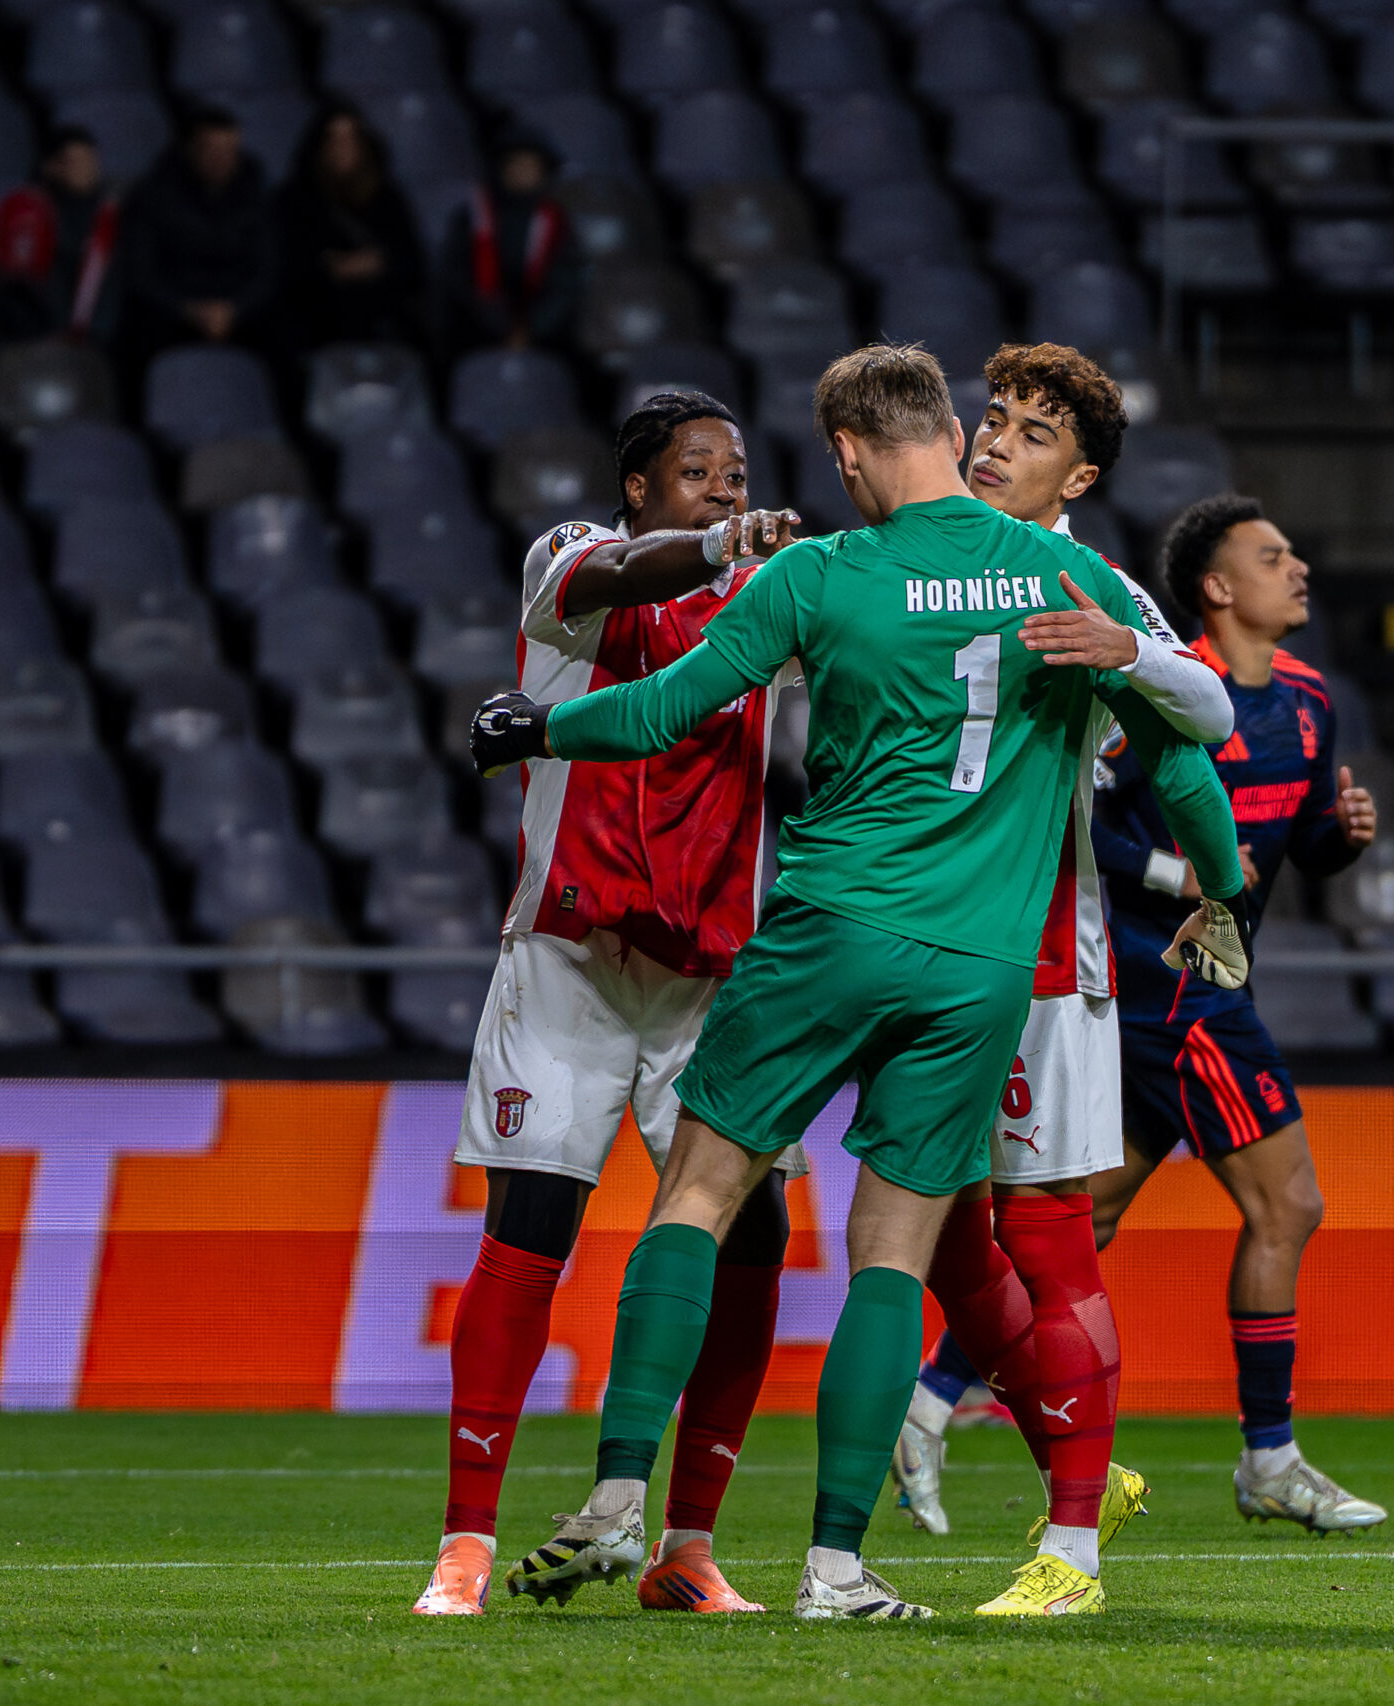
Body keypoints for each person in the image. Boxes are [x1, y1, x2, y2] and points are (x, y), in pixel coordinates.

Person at [470, 344, 1254, 1621]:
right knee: (901, 1251)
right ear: (951, 429)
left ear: (843, 454)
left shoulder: (818, 570)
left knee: (700, 1193)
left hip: (826, 931)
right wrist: (1217, 887)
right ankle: (837, 1564)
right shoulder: (1071, 578)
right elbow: (1186, 748)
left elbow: (665, 708)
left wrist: (535, 723)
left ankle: (620, 1495)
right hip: (987, 968)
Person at [411, 394, 805, 1619]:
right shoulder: (572, 561)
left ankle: (685, 1547)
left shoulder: (771, 606)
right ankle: (464, 1546)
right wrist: (725, 545)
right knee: (530, 1232)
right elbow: (631, 568)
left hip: (708, 978)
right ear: (637, 486)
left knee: (754, 1237)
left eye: (735, 474)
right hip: (568, 965)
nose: (724, 490)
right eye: (697, 473)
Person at [892, 345, 1235, 1610]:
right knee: (929, 1237)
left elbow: (1206, 709)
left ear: (1076, 474)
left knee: (1045, 1235)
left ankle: (1072, 1546)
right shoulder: (907, 540)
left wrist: (1124, 650)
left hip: (1038, 952)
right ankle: (1074, 1451)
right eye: (994, 419)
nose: (997, 442)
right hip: (906, 934)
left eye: (1034, 434)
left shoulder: (1088, 582)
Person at [1088, 493, 1390, 1534]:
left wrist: (1339, 839)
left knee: (1088, 1211)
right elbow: (1079, 821)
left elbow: (1296, 848)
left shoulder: (1309, 700)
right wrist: (1176, 870)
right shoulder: (1173, 694)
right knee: (1289, 1203)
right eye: (1271, 555)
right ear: (1216, 589)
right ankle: (1269, 1455)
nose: (1297, 566)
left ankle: (935, 1398)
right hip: (1171, 981)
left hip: (1212, 976)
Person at [119, 104, 277, 354]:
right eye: (212, 149)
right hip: (172, 310)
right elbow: (140, 271)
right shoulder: (153, 195)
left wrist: (235, 308)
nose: (222, 159)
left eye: (229, 150)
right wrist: (188, 310)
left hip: (238, 310)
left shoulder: (255, 193)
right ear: (190, 149)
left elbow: (267, 267)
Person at [276, 104, 423, 348]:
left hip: (383, 321)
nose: (342, 148)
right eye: (333, 139)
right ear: (318, 146)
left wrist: (378, 264)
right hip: (314, 322)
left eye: (351, 139)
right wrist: (331, 268)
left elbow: (413, 264)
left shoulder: (388, 199)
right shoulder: (293, 201)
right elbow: (283, 266)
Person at [435, 128, 581, 357]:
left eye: (530, 165)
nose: (521, 172)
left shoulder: (558, 222)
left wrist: (532, 328)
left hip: (544, 337)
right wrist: (493, 321)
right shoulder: (473, 216)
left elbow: (566, 283)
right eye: (514, 163)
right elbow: (456, 273)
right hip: (477, 331)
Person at [0, 125, 120, 348]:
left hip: (98, 337)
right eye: (77, 162)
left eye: (91, 161)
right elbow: (20, 283)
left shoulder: (107, 213)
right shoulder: (28, 211)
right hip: (35, 332)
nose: (88, 169)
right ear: (51, 166)